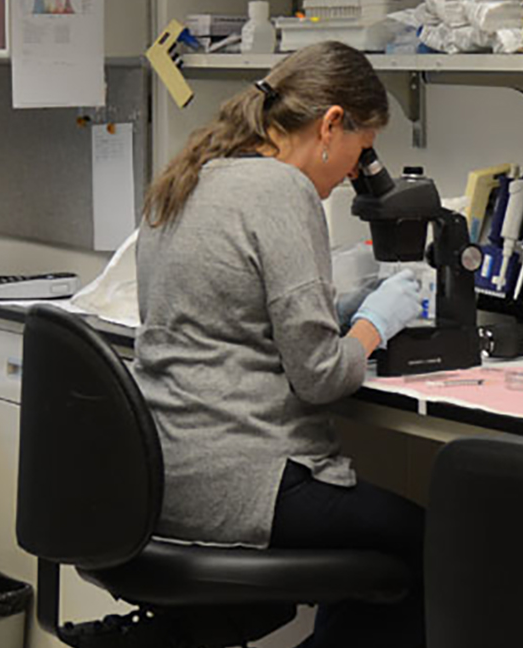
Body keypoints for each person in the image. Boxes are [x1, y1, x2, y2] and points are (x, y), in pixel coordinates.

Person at [133, 41, 427, 648]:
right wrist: (376, 322)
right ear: (331, 124)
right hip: (249, 487)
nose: (355, 174)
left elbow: (228, 318)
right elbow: (321, 377)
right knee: (440, 544)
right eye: (361, 152)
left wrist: (333, 311)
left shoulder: (190, 175)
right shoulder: (280, 191)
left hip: (162, 480)